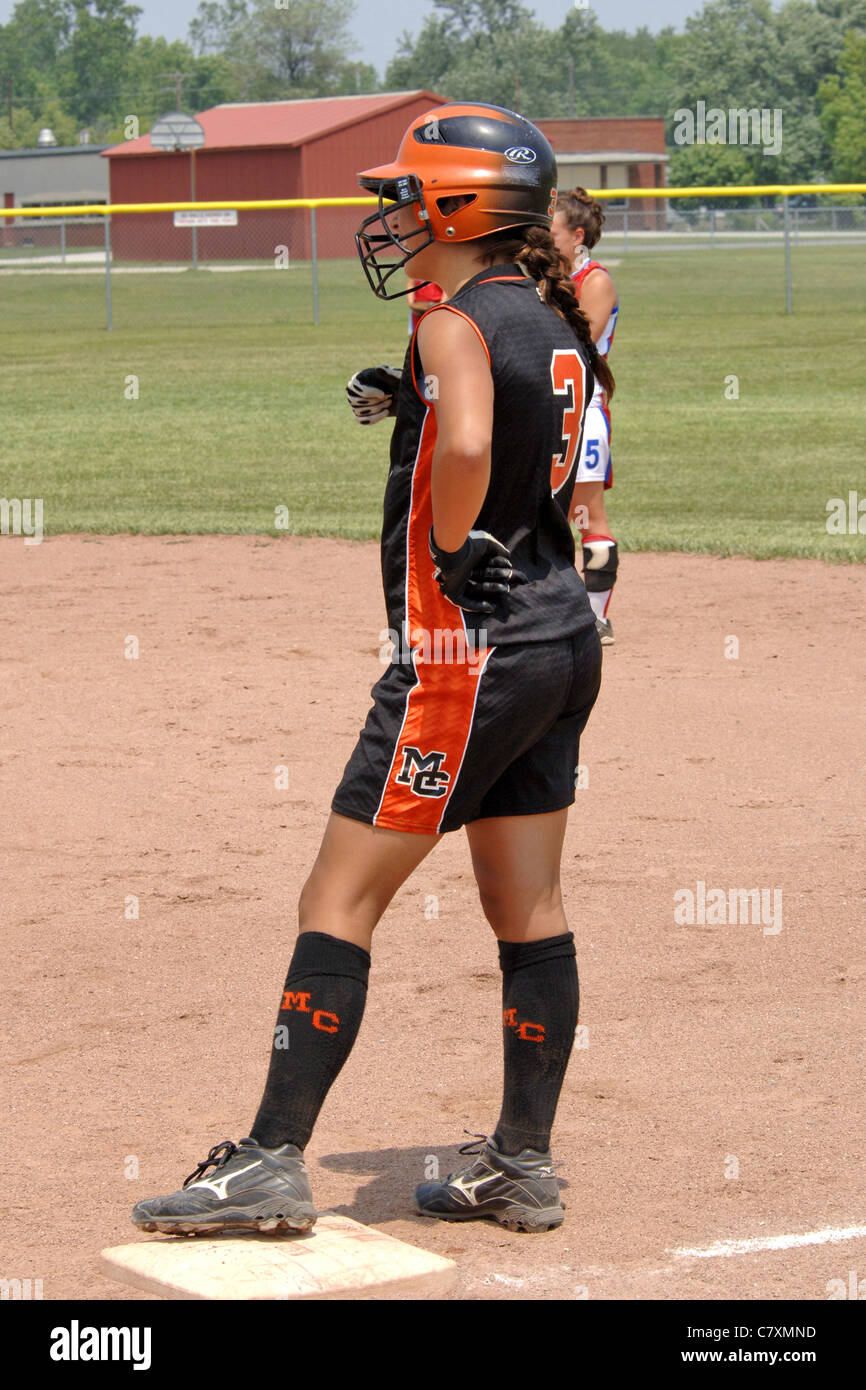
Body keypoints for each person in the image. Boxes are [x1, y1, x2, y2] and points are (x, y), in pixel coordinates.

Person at [130, 102, 610, 1238]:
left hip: (460, 653)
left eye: (403, 196)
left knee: (336, 898)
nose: (389, 217)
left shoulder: (451, 318)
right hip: (557, 639)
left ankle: (268, 1161)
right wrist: (411, 403)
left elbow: (474, 445)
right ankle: (520, 1163)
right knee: (525, 902)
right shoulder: (546, 311)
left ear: (455, 207)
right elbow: (523, 423)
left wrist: (448, 547)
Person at [551, 188, 620, 645]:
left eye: (551, 231)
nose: (543, 237)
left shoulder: (595, 281)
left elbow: (577, 341)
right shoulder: (546, 277)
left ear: (578, 236)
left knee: (585, 512)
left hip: (584, 409)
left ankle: (596, 618)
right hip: (548, 406)